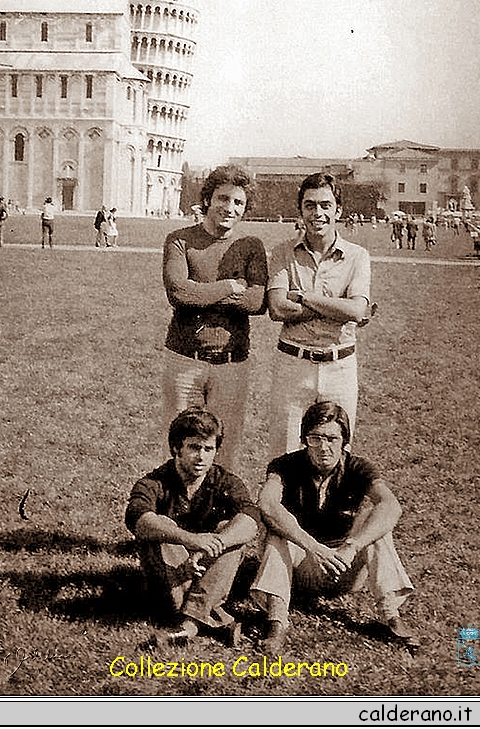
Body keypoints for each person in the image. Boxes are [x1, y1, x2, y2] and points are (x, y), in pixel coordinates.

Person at [251, 401, 420, 653]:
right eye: (315, 438)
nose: (323, 447)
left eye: (331, 438)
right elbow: (266, 502)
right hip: (301, 568)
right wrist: (314, 547)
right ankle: (276, 621)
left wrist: (352, 546)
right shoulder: (284, 466)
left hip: (344, 566)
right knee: (278, 531)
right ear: (303, 439)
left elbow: (391, 505)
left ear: (344, 442)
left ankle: (390, 615)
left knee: (375, 521)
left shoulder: (358, 467)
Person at [162, 164, 268, 471]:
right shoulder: (180, 240)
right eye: (223, 198)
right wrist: (230, 287)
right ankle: (176, 516)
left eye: (238, 203)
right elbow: (179, 293)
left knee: (225, 447)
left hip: (232, 363)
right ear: (208, 199)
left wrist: (203, 293)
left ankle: (219, 517)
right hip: (184, 359)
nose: (229, 208)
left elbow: (257, 302)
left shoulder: (250, 247)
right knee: (180, 447)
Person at [126, 408, 259, 645]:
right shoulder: (155, 482)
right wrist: (191, 540)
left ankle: (188, 627)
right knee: (161, 525)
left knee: (231, 529)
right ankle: (211, 618)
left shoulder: (224, 480)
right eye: (194, 448)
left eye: (208, 449)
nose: (201, 457)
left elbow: (251, 519)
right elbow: (137, 518)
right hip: (172, 584)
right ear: (176, 448)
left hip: (207, 570)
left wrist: (211, 546)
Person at [266, 172, 371, 458]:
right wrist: (334, 308)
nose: (318, 213)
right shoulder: (282, 252)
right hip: (293, 364)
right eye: (310, 205)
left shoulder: (357, 256)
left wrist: (304, 297)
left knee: (338, 456)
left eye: (326, 205)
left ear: (339, 210)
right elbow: (277, 308)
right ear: (300, 210)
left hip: (340, 366)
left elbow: (356, 310)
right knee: (284, 455)